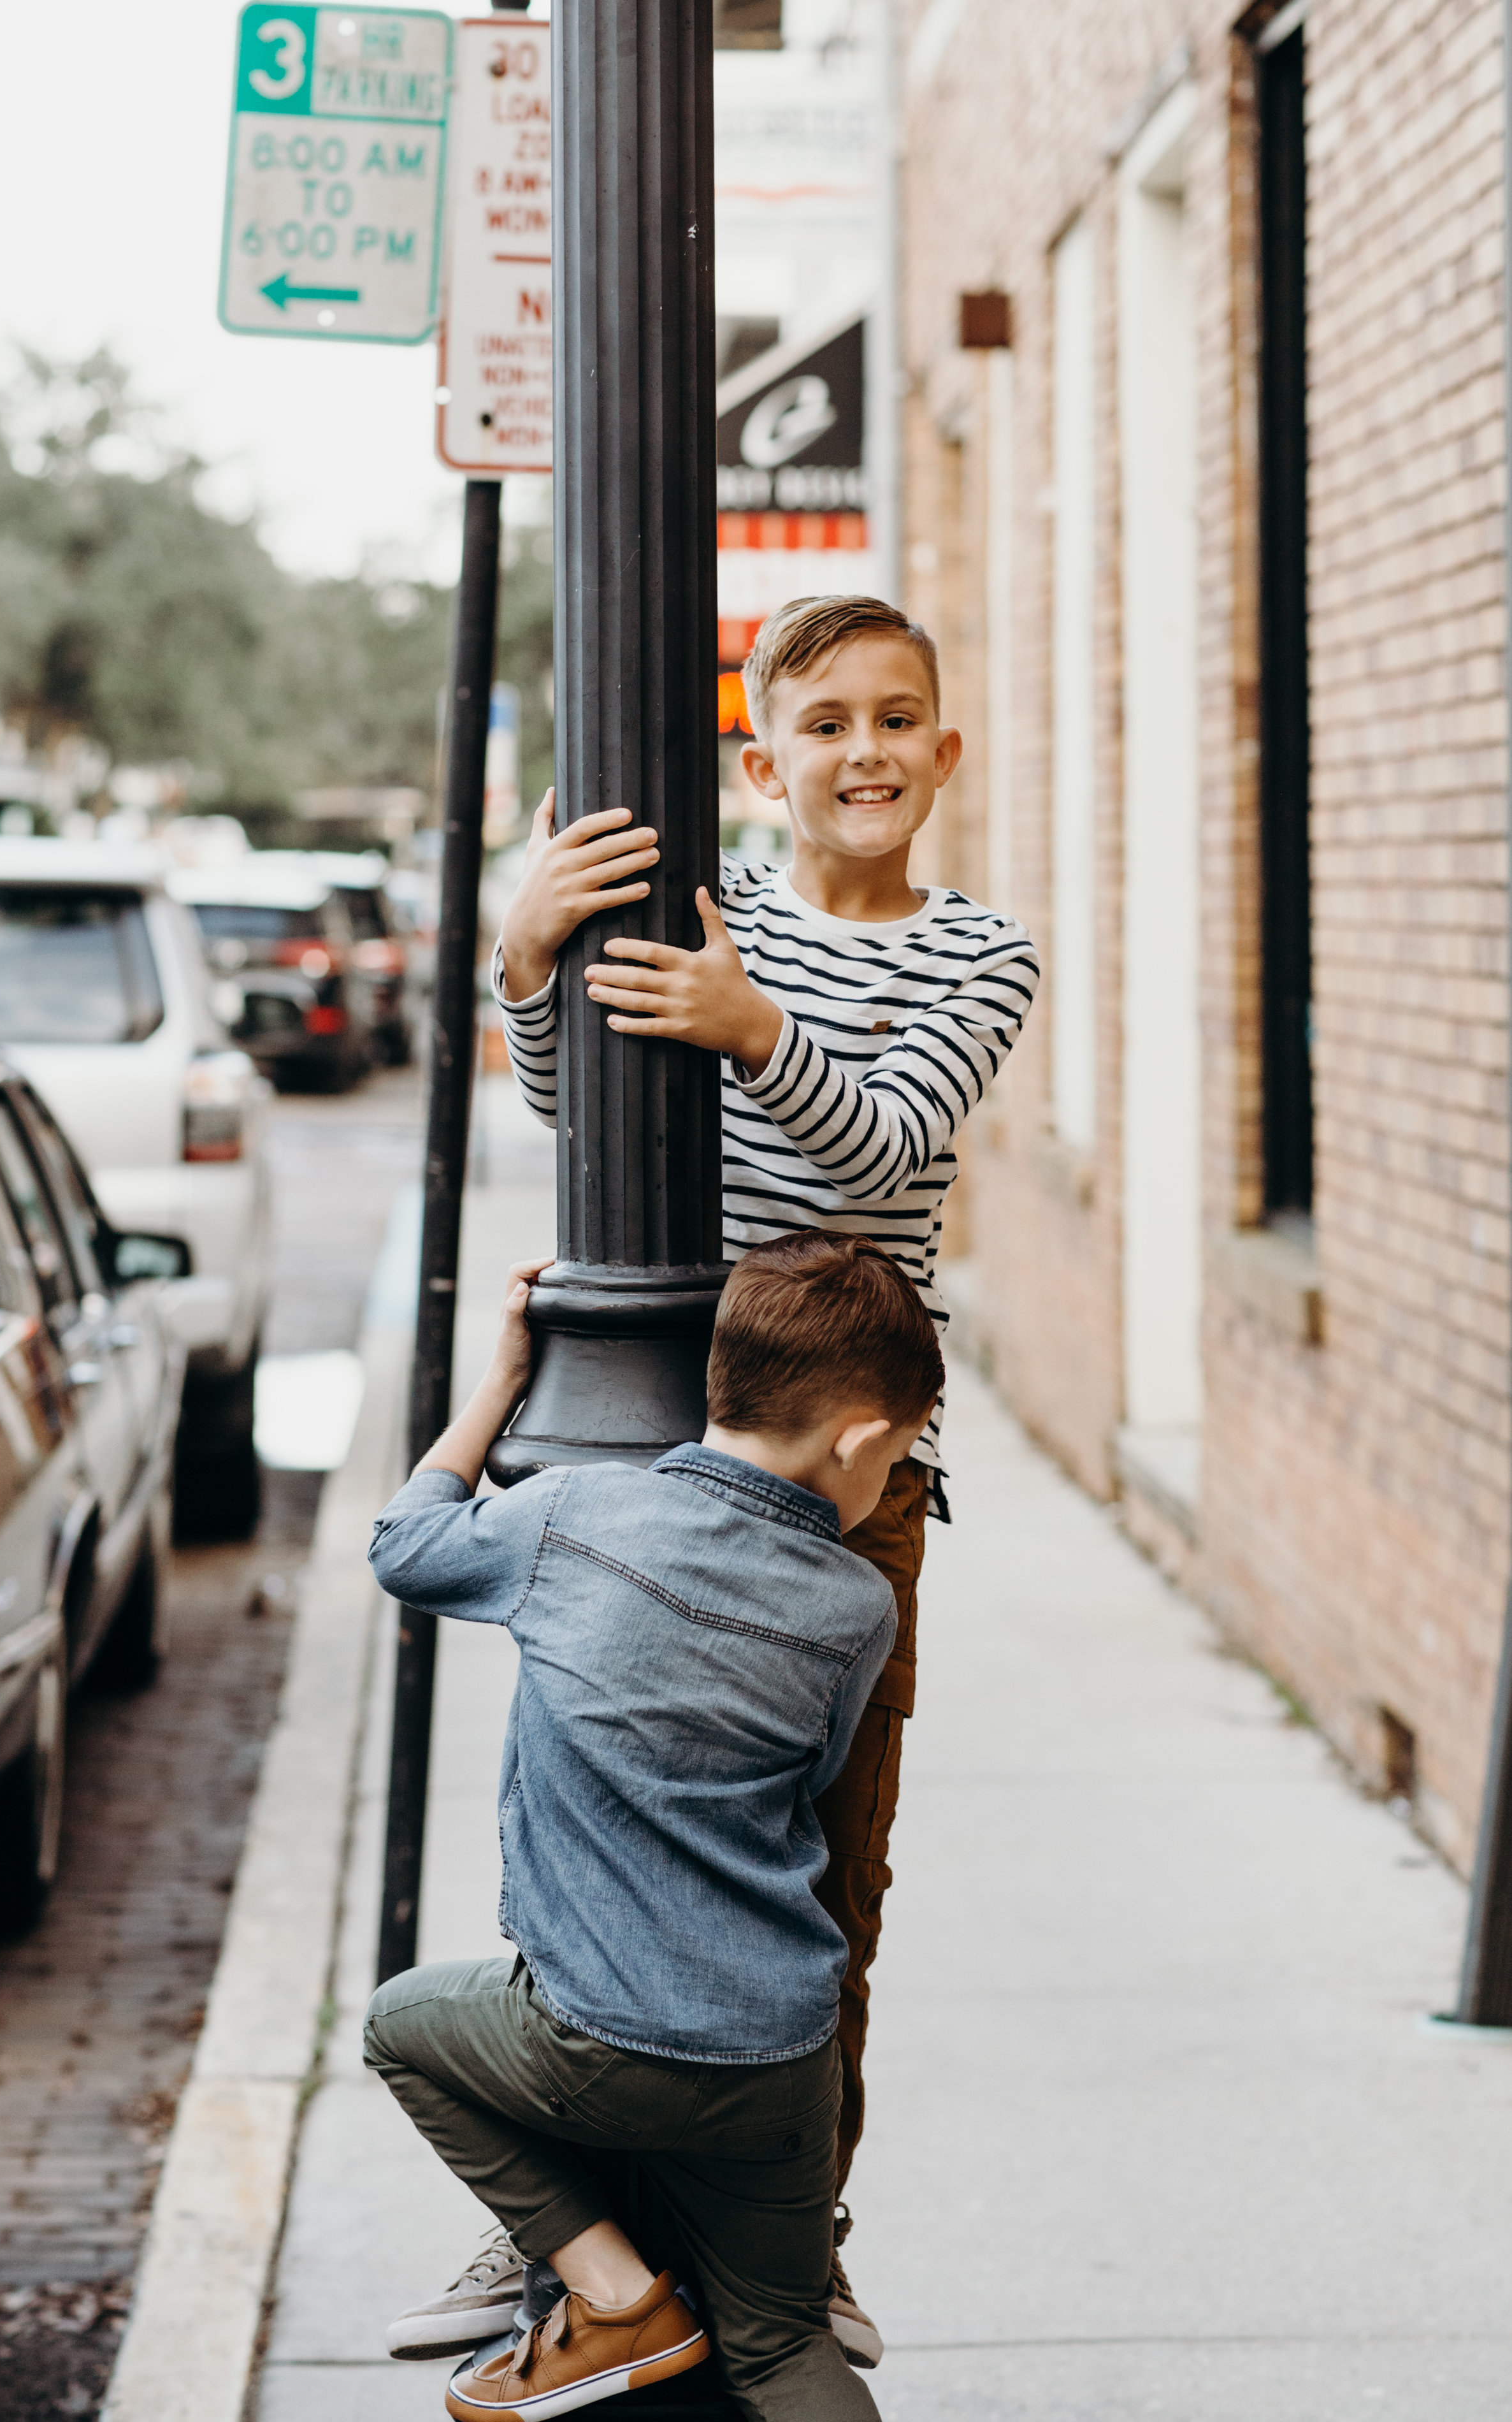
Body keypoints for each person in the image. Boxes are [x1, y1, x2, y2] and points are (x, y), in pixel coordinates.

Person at [474, 593, 1040, 2363]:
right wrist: (521, 968)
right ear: (764, 760)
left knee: (823, 1872)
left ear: (940, 754)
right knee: (597, 1856)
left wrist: (754, 1031)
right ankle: (562, 2248)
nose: (861, 751)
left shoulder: (980, 955)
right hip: (668, 1470)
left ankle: (799, 2235)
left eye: (896, 721)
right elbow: (588, 1123)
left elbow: (885, 1140)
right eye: (825, 725)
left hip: (856, 1488)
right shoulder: (712, 923)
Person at [365, 1231, 944, 2421]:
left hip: (598, 2041)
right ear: (858, 1442)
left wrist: (497, 1386)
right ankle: (638, 2307)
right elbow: (817, 1773)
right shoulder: (855, 1605)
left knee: (397, 2028)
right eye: (902, 1457)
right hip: (785, 2056)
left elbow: (404, 1548)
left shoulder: (571, 1516)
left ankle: (610, 2291)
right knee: (784, 2345)